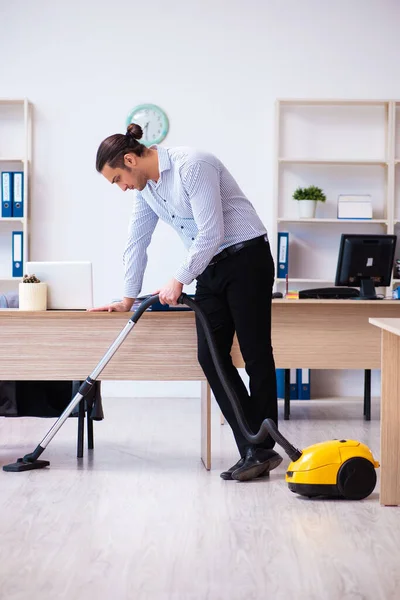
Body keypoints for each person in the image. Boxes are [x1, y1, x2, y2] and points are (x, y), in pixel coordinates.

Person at [91, 123, 282, 482]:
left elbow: (213, 232)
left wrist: (178, 277)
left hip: (246, 258)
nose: (122, 187)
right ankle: (254, 449)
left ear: (130, 160)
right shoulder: (146, 190)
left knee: (256, 352)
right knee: (210, 355)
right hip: (207, 265)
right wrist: (128, 298)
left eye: (118, 179)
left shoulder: (192, 165)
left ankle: (265, 444)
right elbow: (137, 241)